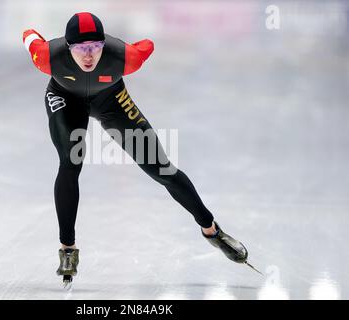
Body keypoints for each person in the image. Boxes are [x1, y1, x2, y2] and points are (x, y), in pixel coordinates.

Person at [23, 12, 250, 286]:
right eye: (81, 48)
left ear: (104, 45)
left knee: (161, 169)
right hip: (64, 97)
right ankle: (68, 249)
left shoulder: (125, 57)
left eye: (95, 47)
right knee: (70, 162)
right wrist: (31, 36)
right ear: (68, 47)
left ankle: (212, 231)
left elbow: (147, 45)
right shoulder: (46, 56)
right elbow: (30, 37)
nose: (88, 55)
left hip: (111, 100)